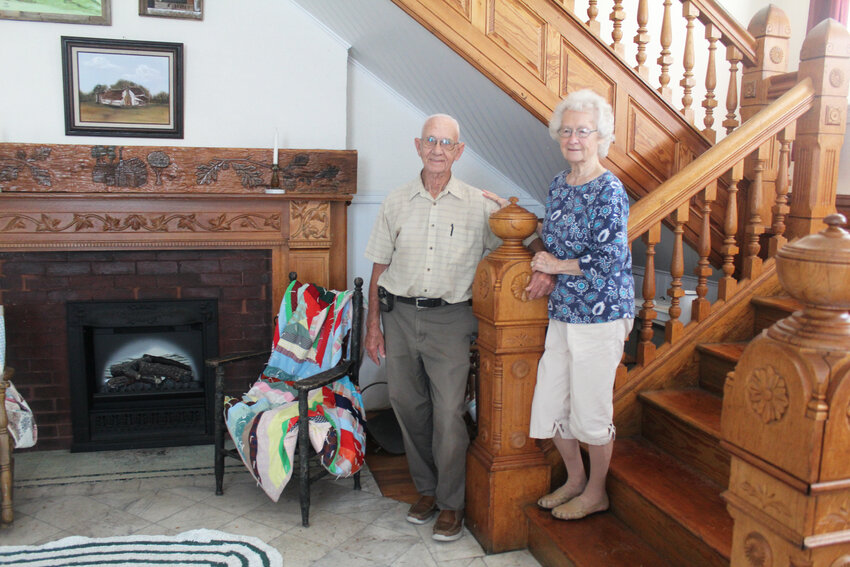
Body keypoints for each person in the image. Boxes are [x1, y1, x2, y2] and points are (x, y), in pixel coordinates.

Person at [364, 114, 551, 542]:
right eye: (430, 140)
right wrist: (373, 325)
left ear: (459, 151)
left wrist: (540, 252)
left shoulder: (479, 204)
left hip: (451, 320)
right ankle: (427, 491)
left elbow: (524, 243)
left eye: (446, 143)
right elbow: (378, 268)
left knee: (449, 413)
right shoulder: (395, 201)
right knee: (407, 406)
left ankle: (451, 503)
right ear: (417, 145)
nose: (437, 149)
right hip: (399, 316)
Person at [528, 89, 635, 520]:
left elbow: (609, 259)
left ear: (600, 137)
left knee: (591, 410)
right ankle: (574, 479)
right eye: (567, 130)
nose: (574, 138)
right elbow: (551, 244)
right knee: (553, 403)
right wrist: (544, 263)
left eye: (583, 131)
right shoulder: (558, 185)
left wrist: (554, 264)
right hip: (564, 312)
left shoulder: (609, 189)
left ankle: (596, 491)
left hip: (602, 314)